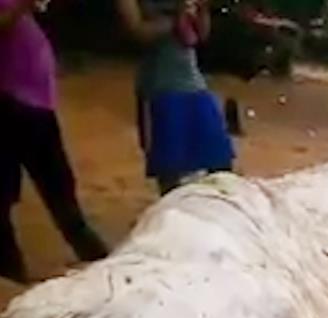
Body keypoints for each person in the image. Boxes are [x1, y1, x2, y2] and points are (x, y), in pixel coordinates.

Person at [0, 0, 108, 283]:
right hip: (11, 103)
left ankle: (97, 260)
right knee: (7, 196)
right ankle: (11, 279)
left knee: (60, 188)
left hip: (33, 103)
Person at [117, 0, 235, 194]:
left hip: (193, 81)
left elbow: (201, 36)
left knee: (221, 164)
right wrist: (177, 18)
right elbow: (138, 32)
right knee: (170, 171)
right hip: (159, 86)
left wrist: (201, 9)